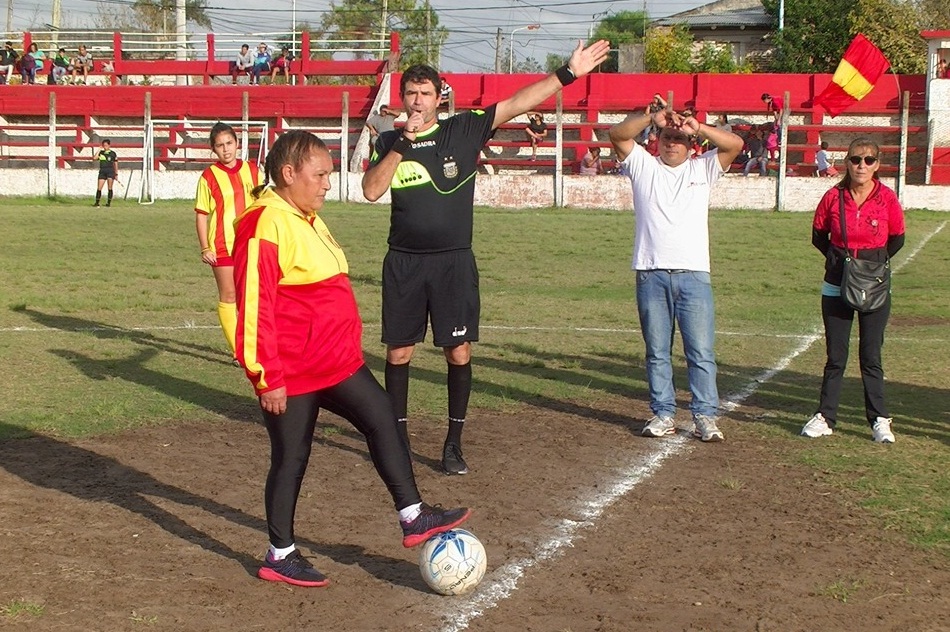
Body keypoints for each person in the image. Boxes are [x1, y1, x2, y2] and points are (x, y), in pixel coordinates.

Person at [232, 130, 471, 587]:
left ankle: (413, 516)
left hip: (336, 363)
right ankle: (279, 554)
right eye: (319, 174)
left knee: (382, 416)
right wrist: (267, 377)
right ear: (288, 174)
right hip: (295, 372)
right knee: (291, 458)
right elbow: (254, 306)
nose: (326, 184)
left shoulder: (303, 215)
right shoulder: (265, 222)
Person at [362, 40, 610, 474]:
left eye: (426, 93)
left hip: (453, 262)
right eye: (411, 94)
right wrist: (402, 141)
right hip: (403, 262)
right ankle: (397, 441)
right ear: (402, 99)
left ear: (440, 96)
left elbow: (517, 102)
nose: (418, 101)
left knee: (457, 351)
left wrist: (567, 73)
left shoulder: (466, 128)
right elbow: (370, 190)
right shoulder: (387, 141)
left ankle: (453, 442)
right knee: (399, 353)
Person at [608, 107, 743, 443]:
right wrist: (651, 119)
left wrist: (699, 126)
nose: (672, 144)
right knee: (657, 351)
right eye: (667, 137)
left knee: (700, 352)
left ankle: (705, 416)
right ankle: (663, 413)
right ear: (657, 141)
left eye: (680, 139)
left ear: (691, 145)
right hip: (651, 273)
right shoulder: (644, 166)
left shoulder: (703, 168)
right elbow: (618, 135)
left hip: (694, 274)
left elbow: (735, 145)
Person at [802, 138, 905, 443]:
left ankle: (879, 419)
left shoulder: (886, 198)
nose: (862, 166)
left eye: (869, 160)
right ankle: (825, 416)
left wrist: (869, 266)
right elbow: (819, 235)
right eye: (856, 159)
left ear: (878, 164)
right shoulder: (833, 197)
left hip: (874, 285)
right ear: (846, 162)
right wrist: (842, 263)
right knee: (836, 354)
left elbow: (897, 239)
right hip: (836, 283)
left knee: (871, 355)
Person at [194, 123, 261, 364]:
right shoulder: (209, 176)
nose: (226, 149)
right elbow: (201, 213)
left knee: (251, 296)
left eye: (229, 143)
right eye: (220, 146)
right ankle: (239, 352)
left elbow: (264, 204)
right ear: (214, 150)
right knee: (229, 294)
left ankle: (254, 344)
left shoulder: (253, 171)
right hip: (223, 245)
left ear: (237, 143)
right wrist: (205, 247)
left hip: (251, 243)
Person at [94, 139, 118, 207]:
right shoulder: (101, 153)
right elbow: (94, 158)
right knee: (99, 188)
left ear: (109, 145)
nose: (105, 147)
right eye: (103, 145)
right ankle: (97, 202)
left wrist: (116, 173)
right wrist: (99, 149)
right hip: (102, 171)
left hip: (110, 171)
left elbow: (115, 163)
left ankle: (108, 203)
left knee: (109, 187)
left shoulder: (113, 153)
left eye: (106, 145)